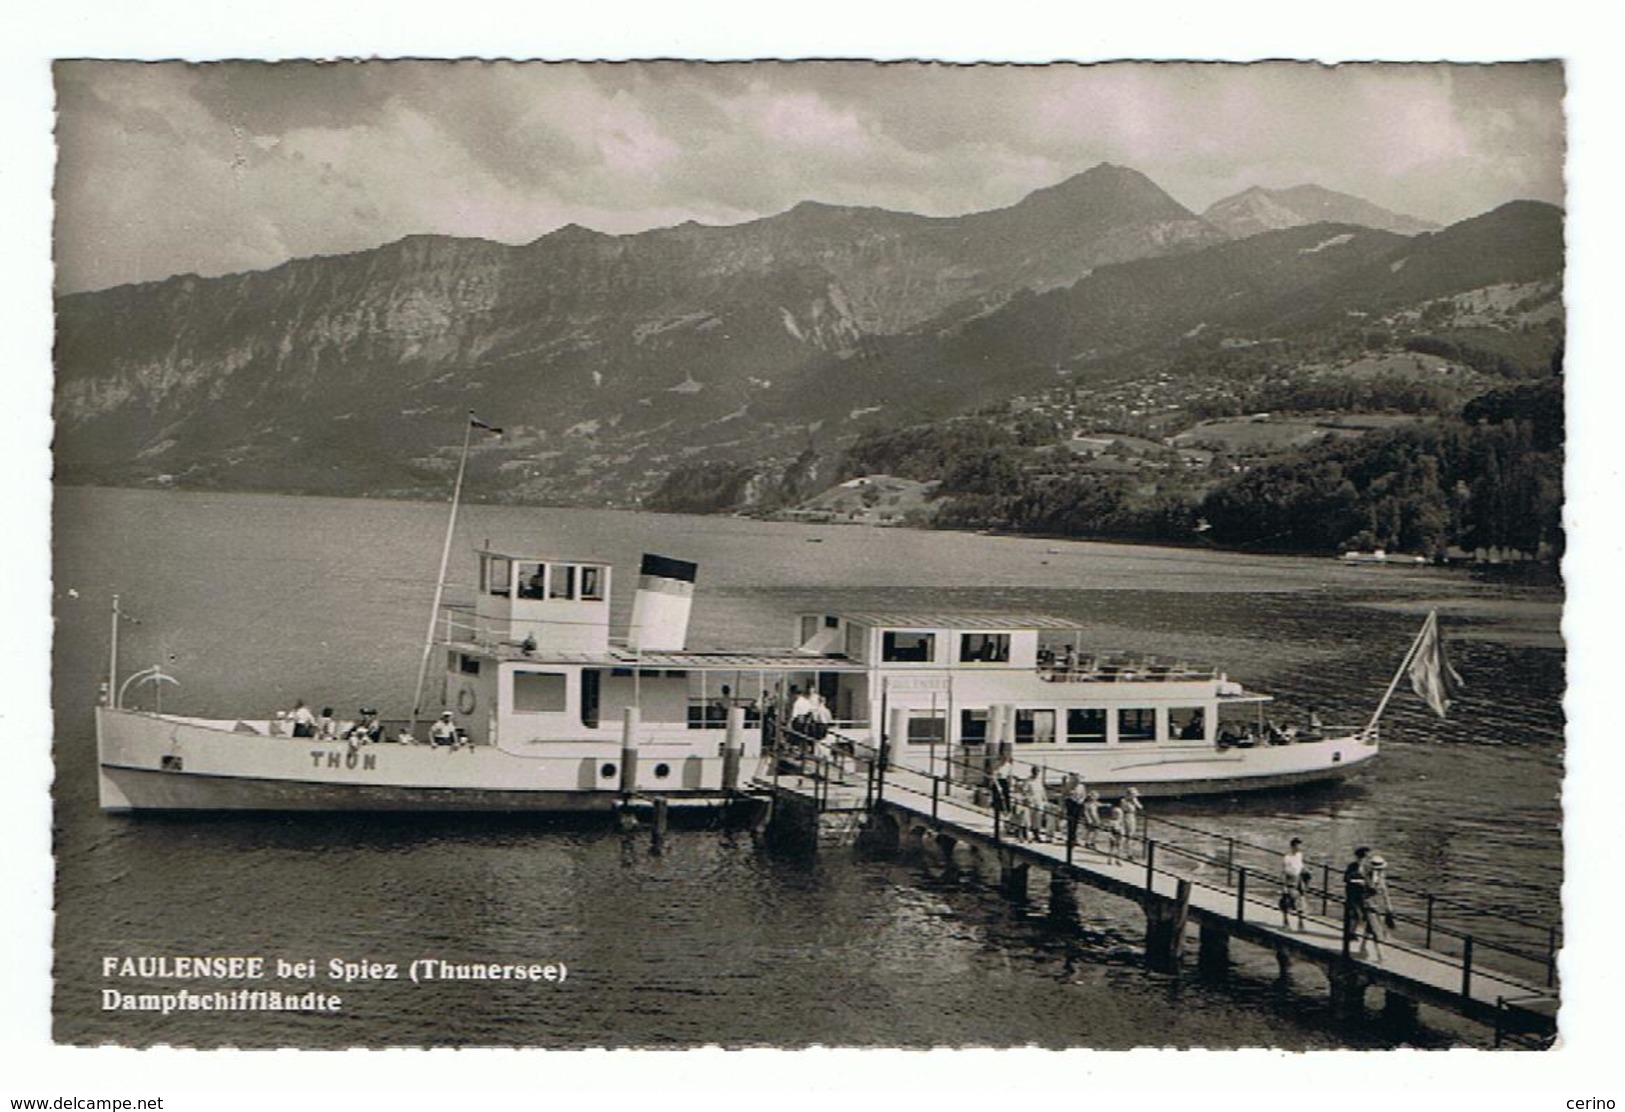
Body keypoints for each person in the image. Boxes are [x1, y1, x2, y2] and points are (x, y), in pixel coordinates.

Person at [1343, 846, 1372, 951]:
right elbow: (1346, 879)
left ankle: (1353, 932)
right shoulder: (1352, 866)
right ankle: (1351, 933)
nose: (1362, 860)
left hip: (1363, 894)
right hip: (1353, 893)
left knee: (1364, 915)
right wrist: (1357, 881)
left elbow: (1370, 880)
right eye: (1361, 857)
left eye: (1364, 858)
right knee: (1356, 914)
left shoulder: (1367, 867)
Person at [1280, 837, 1308, 931]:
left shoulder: (1300, 855)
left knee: (1300, 902)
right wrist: (1284, 885)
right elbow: (1284, 871)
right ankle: (1286, 922)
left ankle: (1301, 923)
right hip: (1290, 879)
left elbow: (1301, 866)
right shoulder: (1287, 857)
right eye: (1297, 846)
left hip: (1299, 879)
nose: (1298, 848)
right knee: (1288, 901)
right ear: (1292, 846)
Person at [1063, 774, 1089, 848]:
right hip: (1071, 803)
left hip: (1078, 804)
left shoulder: (1081, 786)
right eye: (1076, 779)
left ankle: (1074, 838)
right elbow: (1065, 794)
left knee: (1076, 822)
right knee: (1071, 822)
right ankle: (1070, 839)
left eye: (1078, 780)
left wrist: (1080, 800)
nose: (1077, 781)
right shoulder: (1069, 785)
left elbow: (1084, 795)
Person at [1119, 787, 1143, 857]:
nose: (1135, 797)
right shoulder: (1123, 800)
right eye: (1134, 795)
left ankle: (1129, 852)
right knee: (1125, 835)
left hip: (1132, 816)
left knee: (1131, 835)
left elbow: (1140, 807)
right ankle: (1123, 851)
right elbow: (1124, 809)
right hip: (1126, 816)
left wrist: (1135, 801)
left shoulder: (1134, 800)